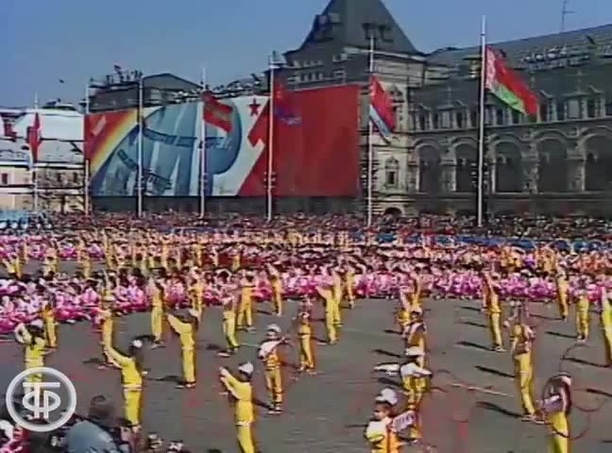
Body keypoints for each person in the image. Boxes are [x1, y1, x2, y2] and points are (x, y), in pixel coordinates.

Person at [64, 395, 128, 452]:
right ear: (107, 416)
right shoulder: (104, 439)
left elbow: (64, 445)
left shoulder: (74, 428)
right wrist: (125, 442)